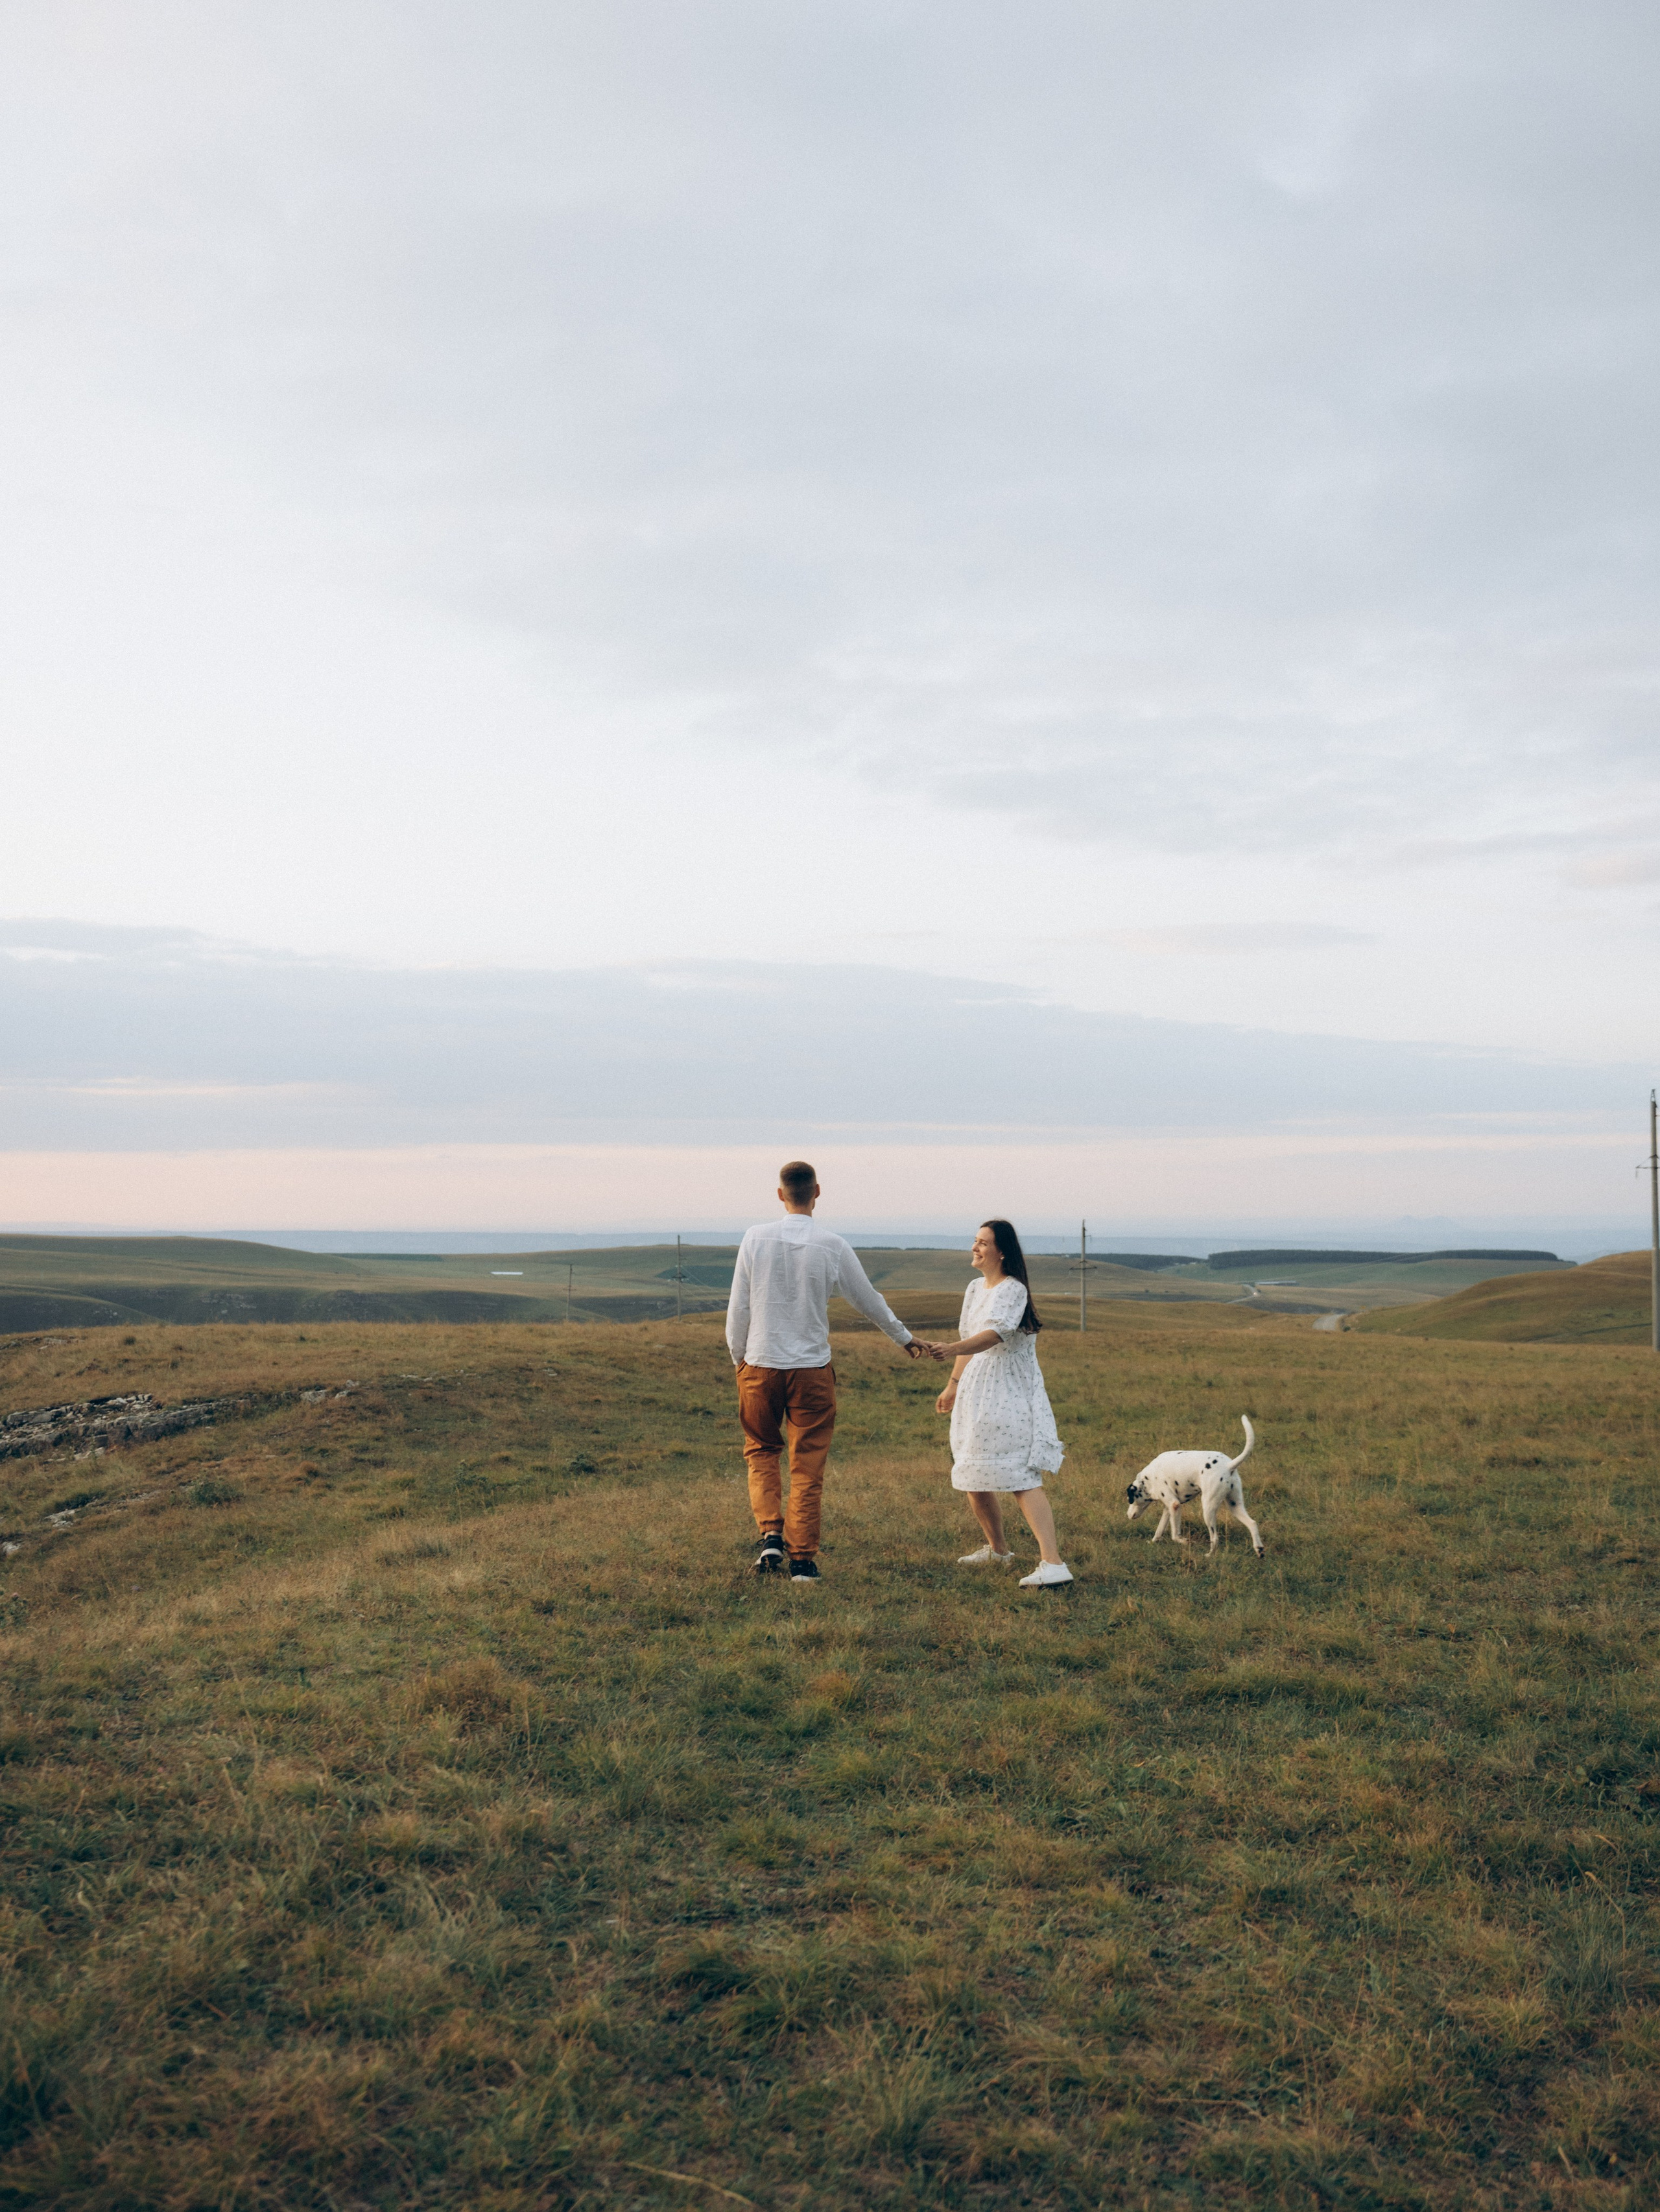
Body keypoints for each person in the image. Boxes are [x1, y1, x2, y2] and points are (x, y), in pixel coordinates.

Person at [726, 1160, 929, 1584]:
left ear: (780, 1194)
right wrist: (904, 1337)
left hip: (760, 1365)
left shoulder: (754, 1238)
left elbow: (739, 1306)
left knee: (761, 1451)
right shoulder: (832, 1244)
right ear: (817, 1192)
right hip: (811, 1370)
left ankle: (770, 1534)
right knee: (807, 1465)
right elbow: (868, 1299)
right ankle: (802, 1561)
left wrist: (739, 1359)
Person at [931, 1219, 1073, 1588]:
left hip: (1009, 1391)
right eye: (975, 1241)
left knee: (1019, 1475)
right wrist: (953, 1385)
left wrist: (950, 1349)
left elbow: (993, 1335)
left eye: (983, 1243)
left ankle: (1054, 1563)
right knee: (972, 1471)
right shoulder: (974, 1288)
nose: (975, 1247)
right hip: (977, 1391)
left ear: (1002, 1252)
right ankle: (998, 1551)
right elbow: (971, 1338)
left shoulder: (1013, 1290)